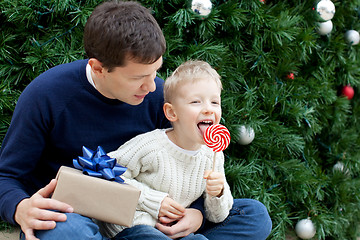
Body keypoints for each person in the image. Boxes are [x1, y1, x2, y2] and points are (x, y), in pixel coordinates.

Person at [0, 1, 271, 240]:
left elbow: (190, 164)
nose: (152, 86)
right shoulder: (47, 95)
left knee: (254, 215)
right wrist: (19, 207)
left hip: (151, 218)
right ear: (98, 68)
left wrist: (197, 213)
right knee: (69, 231)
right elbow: (7, 175)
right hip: (78, 214)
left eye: (155, 72)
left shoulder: (159, 99)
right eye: (138, 77)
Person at [98, 60, 233, 239]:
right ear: (171, 113)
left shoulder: (213, 153)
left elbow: (218, 216)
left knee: (254, 216)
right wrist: (154, 200)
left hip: (176, 228)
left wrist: (218, 194)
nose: (208, 109)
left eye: (215, 102)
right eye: (196, 102)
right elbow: (106, 172)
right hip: (136, 226)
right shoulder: (151, 146)